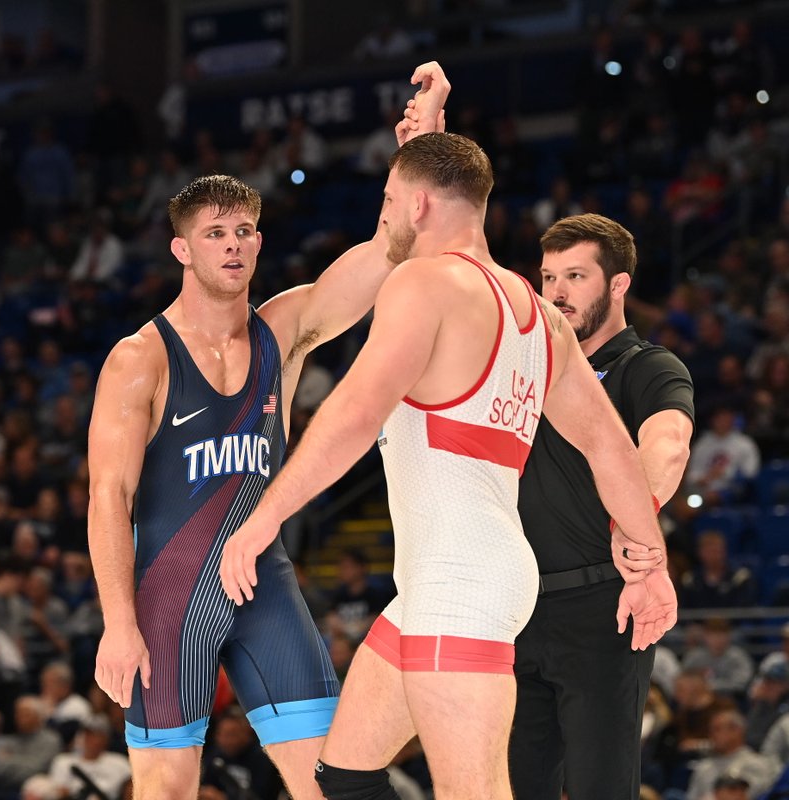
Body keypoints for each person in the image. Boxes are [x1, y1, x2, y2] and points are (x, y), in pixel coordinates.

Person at [219, 72, 677, 800]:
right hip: (459, 580)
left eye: (389, 202)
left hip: (460, 585)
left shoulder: (425, 285)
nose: (386, 217)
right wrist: (650, 564)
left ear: (420, 204)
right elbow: (611, 448)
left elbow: (354, 414)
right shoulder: (538, 314)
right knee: (345, 773)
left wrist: (260, 519)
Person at [87, 63, 449, 800]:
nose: (234, 244)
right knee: (165, 790)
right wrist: (117, 623)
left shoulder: (282, 329)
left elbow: (388, 252)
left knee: (325, 781)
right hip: (169, 598)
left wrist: (419, 150)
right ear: (181, 250)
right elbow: (107, 499)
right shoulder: (139, 360)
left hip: (264, 588)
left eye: (245, 230)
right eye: (214, 233)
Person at [506, 213, 695, 800]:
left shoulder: (648, 367)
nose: (556, 293)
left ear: (617, 285)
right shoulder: (522, 371)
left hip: (601, 610)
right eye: (548, 277)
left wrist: (631, 525)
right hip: (512, 608)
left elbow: (666, 445)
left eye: (576, 276)